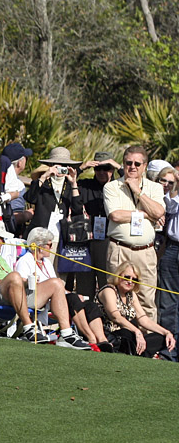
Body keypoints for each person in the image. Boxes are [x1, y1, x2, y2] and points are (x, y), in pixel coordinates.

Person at [0, 223, 79, 344]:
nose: (4, 242)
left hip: (17, 294)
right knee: (15, 276)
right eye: (2, 239)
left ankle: (66, 334)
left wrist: (22, 283)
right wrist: (8, 282)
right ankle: (29, 327)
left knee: (56, 283)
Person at [14, 227, 109, 350]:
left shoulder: (46, 263)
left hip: (53, 298)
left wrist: (70, 293)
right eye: (49, 244)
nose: (51, 247)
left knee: (88, 304)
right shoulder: (25, 261)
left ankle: (102, 340)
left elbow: (58, 287)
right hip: (34, 298)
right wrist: (31, 279)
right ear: (38, 246)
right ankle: (89, 338)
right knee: (72, 298)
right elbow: (20, 284)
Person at [103, 145, 165, 322]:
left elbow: (159, 212)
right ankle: (121, 340)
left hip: (145, 252)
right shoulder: (112, 187)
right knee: (116, 297)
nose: (133, 167)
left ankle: (148, 341)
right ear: (123, 164)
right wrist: (147, 214)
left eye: (137, 163)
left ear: (144, 166)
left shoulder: (154, 188)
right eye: (129, 163)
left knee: (147, 299)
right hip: (119, 249)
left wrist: (138, 191)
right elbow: (115, 215)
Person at [97, 262, 176, 359]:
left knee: (161, 338)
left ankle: (138, 353)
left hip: (129, 335)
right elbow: (116, 317)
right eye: (127, 277)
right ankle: (140, 354)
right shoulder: (109, 290)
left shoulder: (131, 295)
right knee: (127, 333)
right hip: (111, 335)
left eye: (134, 279)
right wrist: (137, 331)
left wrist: (167, 332)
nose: (130, 281)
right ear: (118, 275)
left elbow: (143, 319)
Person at [77, 151, 120, 296]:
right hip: (87, 239)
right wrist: (82, 167)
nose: (102, 172)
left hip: (109, 239)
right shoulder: (86, 185)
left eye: (106, 168)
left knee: (107, 284)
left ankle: (108, 315)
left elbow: (134, 181)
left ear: (112, 169)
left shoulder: (119, 186)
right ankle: (87, 315)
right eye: (98, 168)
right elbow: (66, 182)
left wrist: (118, 167)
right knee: (84, 285)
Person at [24, 147, 83, 250]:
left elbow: (77, 210)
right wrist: (44, 176)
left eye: (64, 165)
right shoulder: (43, 183)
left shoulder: (70, 185)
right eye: (56, 165)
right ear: (50, 165)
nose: (60, 168)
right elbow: (30, 198)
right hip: (40, 236)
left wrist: (74, 183)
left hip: (61, 236)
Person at [156, 166, 179, 338]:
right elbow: (169, 206)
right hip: (172, 247)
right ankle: (169, 348)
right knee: (168, 301)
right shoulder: (172, 195)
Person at [1, 142, 33, 235]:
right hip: (8, 234)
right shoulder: (17, 184)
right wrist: (28, 214)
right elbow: (14, 217)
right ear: (20, 162)